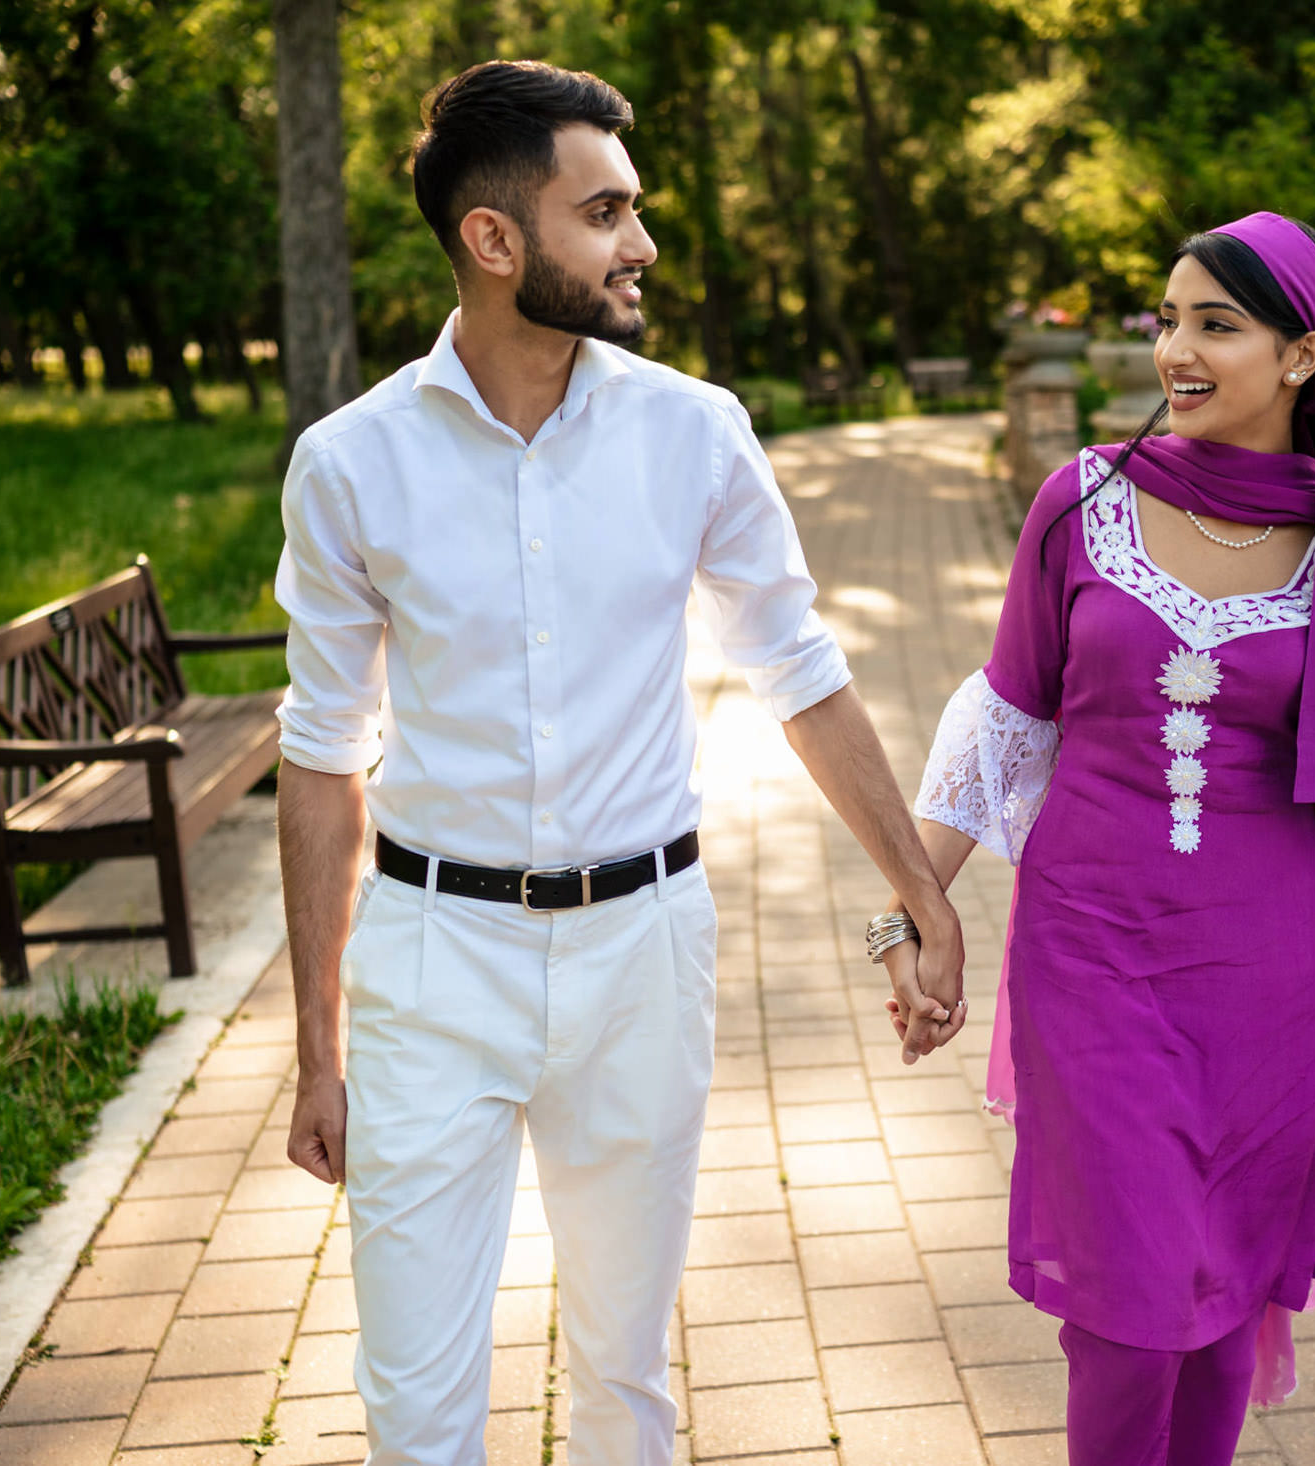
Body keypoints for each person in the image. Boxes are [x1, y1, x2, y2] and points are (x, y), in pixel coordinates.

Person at [272, 60, 964, 1465]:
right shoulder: (351, 465)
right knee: (414, 1397)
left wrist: (923, 890)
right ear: (495, 238)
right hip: (430, 955)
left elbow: (802, 671)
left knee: (625, 1377)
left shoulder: (693, 430)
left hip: (645, 950)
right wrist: (316, 1050)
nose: (640, 244)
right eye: (607, 212)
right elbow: (322, 756)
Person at [874, 212, 1315, 1463]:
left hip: (1273, 988)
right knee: (1128, 1314)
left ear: (1303, 356)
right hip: (1090, 963)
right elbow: (1003, 725)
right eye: (1168, 320)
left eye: (1216, 323)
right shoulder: (1080, 503)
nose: (1176, 351)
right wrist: (910, 911)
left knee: (1221, 1304)